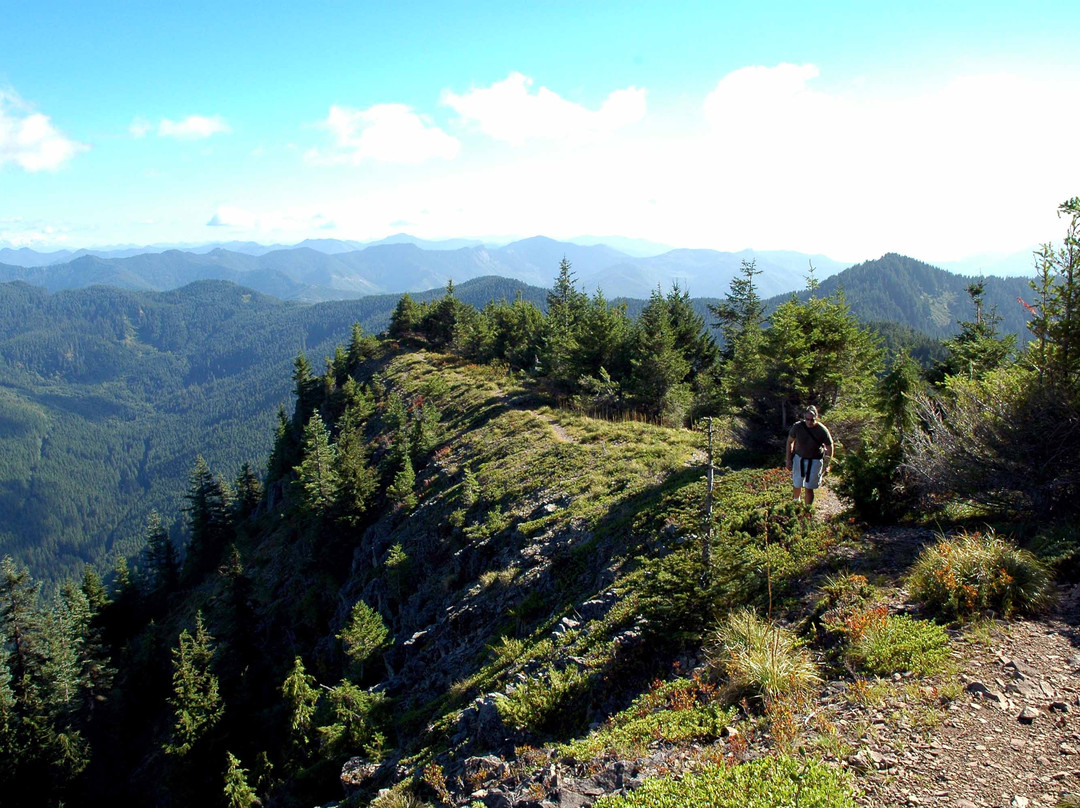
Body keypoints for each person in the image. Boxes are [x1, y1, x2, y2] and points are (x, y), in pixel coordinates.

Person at [785, 405, 833, 508]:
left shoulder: (822, 430)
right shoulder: (797, 427)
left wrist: (827, 464)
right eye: (807, 419)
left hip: (815, 460)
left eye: (812, 420)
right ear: (804, 418)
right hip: (799, 459)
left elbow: (829, 446)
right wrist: (788, 459)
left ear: (816, 417)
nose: (809, 422)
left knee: (809, 486)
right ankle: (796, 503)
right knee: (797, 483)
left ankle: (807, 509)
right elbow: (789, 441)